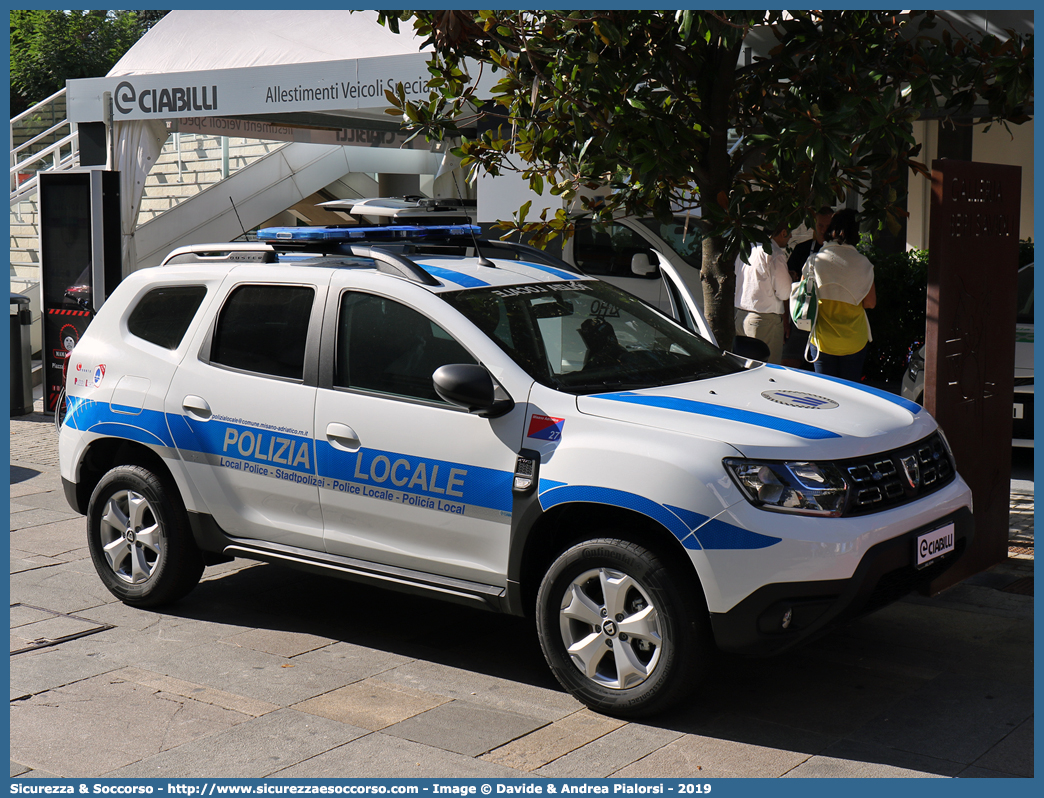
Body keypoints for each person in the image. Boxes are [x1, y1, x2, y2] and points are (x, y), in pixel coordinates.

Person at [807, 208, 876, 380]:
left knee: (825, 394)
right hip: (854, 341)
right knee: (850, 394)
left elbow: (805, 296)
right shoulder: (863, 263)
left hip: (822, 340)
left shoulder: (815, 261)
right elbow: (870, 303)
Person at [782, 207, 833, 368]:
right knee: (790, 362)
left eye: (828, 226)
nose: (824, 230)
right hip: (802, 315)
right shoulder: (801, 250)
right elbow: (787, 285)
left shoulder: (838, 253)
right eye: (820, 226)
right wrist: (786, 321)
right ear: (814, 225)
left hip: (827, 320)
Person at [734, 225, 792, 364]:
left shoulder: (749, 248)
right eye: (790, 233)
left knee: (744, 369)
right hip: (764, 320)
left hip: (741, 316)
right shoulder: (774, 253)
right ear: (783, 232)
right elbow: (785, 292)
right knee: (766, 372)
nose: (791, 237)